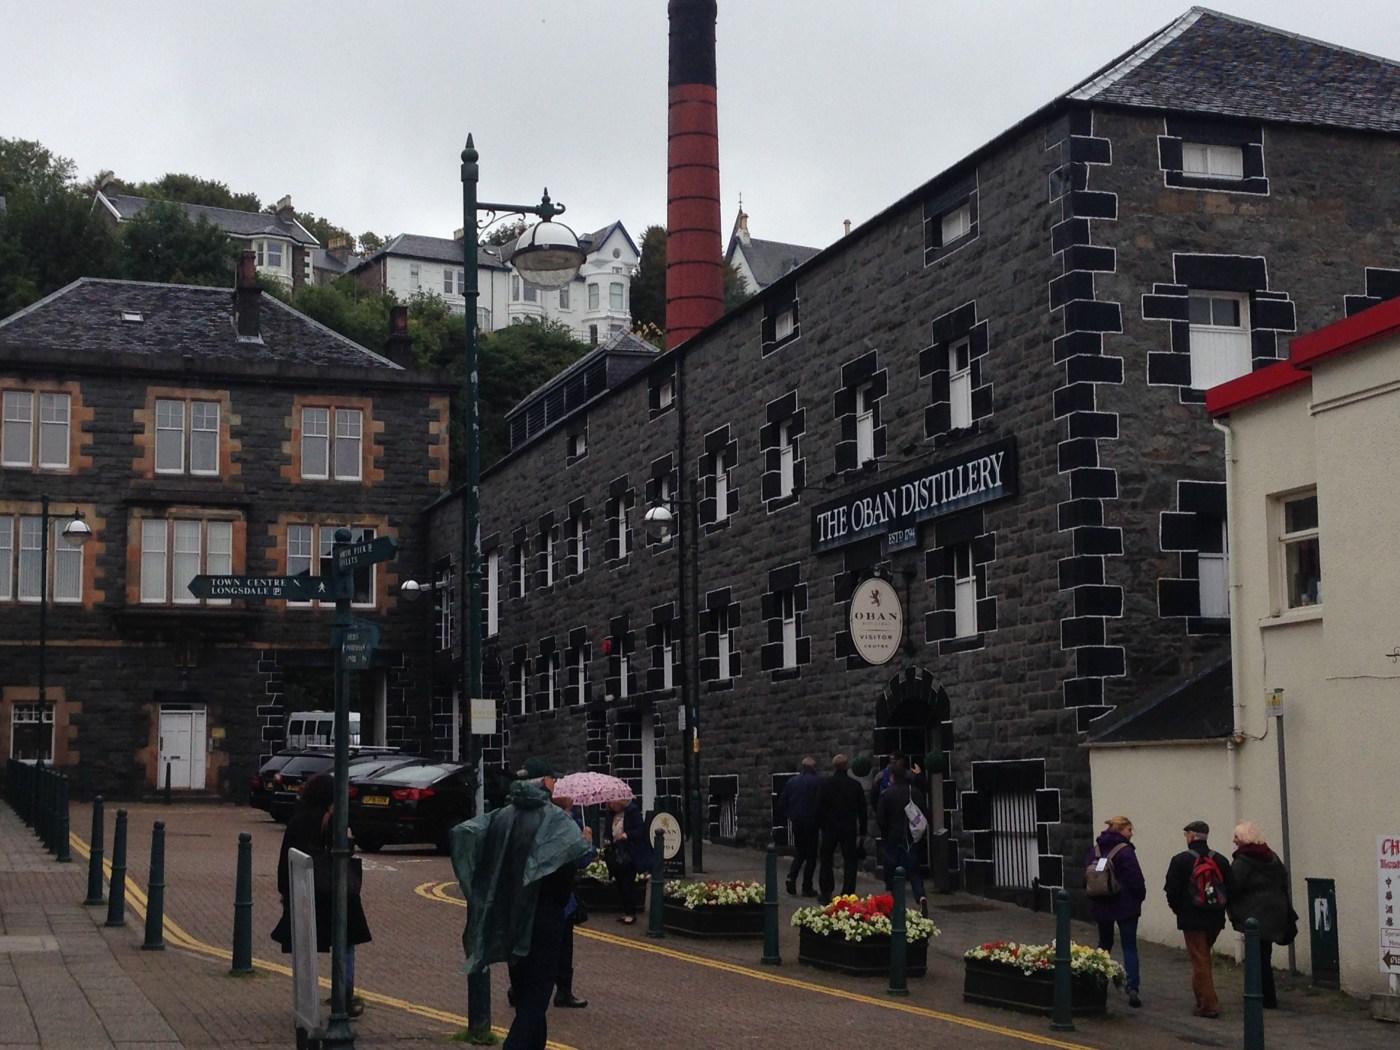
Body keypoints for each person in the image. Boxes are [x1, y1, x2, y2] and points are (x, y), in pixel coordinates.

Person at [452, 756, 589, 1050]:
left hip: (511, 913)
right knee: (537, 995)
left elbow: (467, 837)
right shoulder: (555, 820)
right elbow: (568, 870)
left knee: (525, 990)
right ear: (542, 783)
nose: (556, 784)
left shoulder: (502, 817)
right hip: (545, 916)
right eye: (552, 779)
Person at [270, 772, 372, 1017]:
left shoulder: (297, 820)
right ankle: (344, 995)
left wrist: (285, 890)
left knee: (305, 943)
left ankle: (306, 996)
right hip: (333, 890)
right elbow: (343, 852)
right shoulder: (334, 819)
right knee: (345, 940)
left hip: (304, 890)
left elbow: (286, 857)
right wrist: (349, 839)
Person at [1163, 819, 1234, 1018]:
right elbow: (1231, 888)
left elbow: (1171, 890)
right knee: (1201, 957)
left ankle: (1209, 1005)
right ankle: (1201, 1000)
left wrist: (1179, 910)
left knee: (1200, 959)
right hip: (1215, 918)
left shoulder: (1180, 860)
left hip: (1191, 918)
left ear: (1192, 836)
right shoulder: (1220, 860)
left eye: (1186, 834)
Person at [1228, 821, 1297, 1010]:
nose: (1234, 841)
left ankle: (1260, 996)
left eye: (1236, 837)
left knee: (1256, 957)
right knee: (1264, 956)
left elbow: (1233, 886)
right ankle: (1268, 996)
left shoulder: (1243, 861)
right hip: (1275, 913)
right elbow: (1283, 880)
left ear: (1244, 838)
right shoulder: (1272, 857)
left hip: (1254, 915)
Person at [1085, 815, 1146, 1008]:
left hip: (1101, 904)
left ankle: (1098, 982)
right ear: (1120, 830)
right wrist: (1140, 896)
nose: (1131, 833)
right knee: (1129, 946)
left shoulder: (1095, 850)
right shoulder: (1125, 851)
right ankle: (1132, 987)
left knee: (1104, 944)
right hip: (1125, 905)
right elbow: (1136, 879)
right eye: (1129, 830)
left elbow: (1085, 877)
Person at [874, 759, 928, 915]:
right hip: (912, 836)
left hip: (893, 837)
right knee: (914, 870)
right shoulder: (915, 792)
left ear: (892, 777)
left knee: (893, 870)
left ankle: (896, 904)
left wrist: (886, 831)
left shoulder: (886, 794)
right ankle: (921, 896)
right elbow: (924, 813)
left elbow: (880, 818)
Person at [815, 753, 867, 904]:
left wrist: (821, 825)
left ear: (834, 766)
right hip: (848, 828)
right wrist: (862, 831)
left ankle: (826, 892)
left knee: (826, 859)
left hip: (829, 827)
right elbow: (862, 810)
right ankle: (848, 892)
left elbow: (818, 807)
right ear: (847, 766)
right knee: (850, 861)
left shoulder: (825, 784)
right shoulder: (855, 785)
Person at [603, 794, 655, 924]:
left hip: (630, 853)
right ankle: (627, 912)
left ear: (619, 801)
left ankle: (631, 913)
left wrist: (627, 834)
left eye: (612, 802)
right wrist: (607, 839)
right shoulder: (610, 814)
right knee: (620, 884)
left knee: (627, 883)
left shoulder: (632, 811)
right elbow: (607, 831)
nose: (610, 805)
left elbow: (641, 830)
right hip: (616, 853)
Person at [776, 756, 822, 897]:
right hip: (812, 822)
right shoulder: (818, 781)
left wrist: (790, 815)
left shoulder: (792, 781)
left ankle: (791, 876)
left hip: (797, 822)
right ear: (814, 767)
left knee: (800, 852)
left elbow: (782, 802)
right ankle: (807, 886)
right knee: (811, 855)